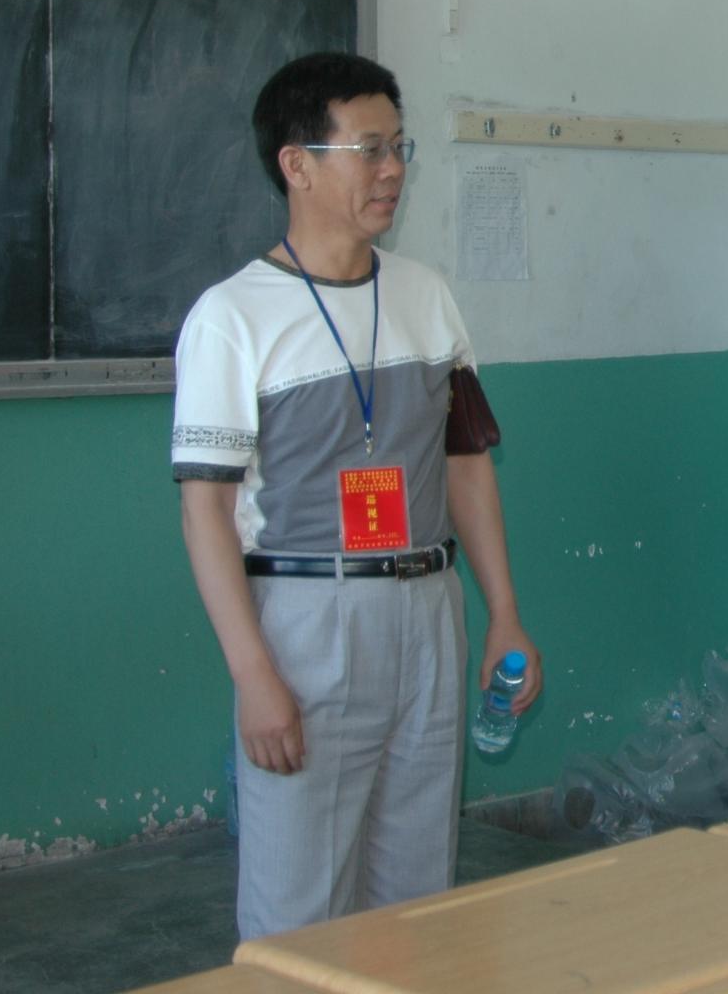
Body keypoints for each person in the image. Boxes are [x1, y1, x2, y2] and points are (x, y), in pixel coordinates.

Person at [171, 52, 541, 939]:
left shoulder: (426, 295)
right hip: (307, 618)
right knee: (298, 904)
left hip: (428, 608)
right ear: (296, 164)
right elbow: (206, 511)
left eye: (399, 147)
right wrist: (253, 674)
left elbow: (465, 464)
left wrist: (503, 614)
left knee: (417, 895)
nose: (392, 170)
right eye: (368, 149)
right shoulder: (232, 317)